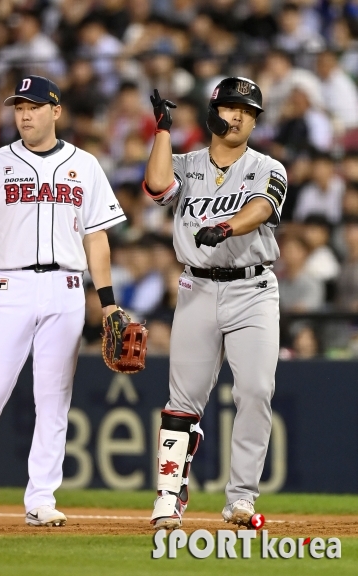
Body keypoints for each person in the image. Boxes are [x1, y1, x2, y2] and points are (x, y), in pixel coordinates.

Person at [0, 75, 126, 529]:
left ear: (55, 112)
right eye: (19, 106)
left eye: (34, 106)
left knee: (54, 399)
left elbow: (96, 238)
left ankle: (41, 498)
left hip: (65, 288)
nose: (24, 113)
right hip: (10, 287)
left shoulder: (86, 165)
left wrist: (109, 301)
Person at [143, 77, 287, 529]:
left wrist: (225, 228)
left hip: (253, 289)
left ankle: (240, 499)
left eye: (248, 111)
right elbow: (156, 187)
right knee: (182, 399)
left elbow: (263, 207)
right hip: (197, 288)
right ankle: (168, 497)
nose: (240, 116)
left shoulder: (268, 166)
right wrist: (163, 131)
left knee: (256, 391)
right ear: (212, 113)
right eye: (230, 107)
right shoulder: (184, 164)